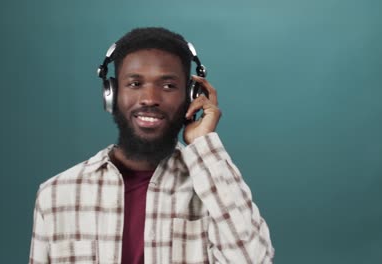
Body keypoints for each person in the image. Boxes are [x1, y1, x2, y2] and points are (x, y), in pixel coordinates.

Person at [29, 27, 274, 264]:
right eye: (135, 84)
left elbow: (254, 260)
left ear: (191, 95)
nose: (150, 99)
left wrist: (203, 144)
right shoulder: (56, 194)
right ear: (111, 94)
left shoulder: (215, 190)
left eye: (168, 86)